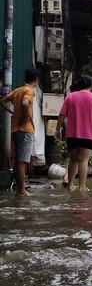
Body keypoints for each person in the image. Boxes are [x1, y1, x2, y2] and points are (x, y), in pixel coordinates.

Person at [55, 74, 92, 191]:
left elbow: (62, 114)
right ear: (91, 86)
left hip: (72, 134)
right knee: (84, 160)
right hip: (88, 134)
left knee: (73, 159)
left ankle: (70, 185)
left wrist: (57, 130)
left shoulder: (70, 97)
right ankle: (82, 186)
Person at [1, 68, 40, 196]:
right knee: (23, 161)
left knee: (18, 161)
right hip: (25, 129)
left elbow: (3, 101)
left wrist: (13, 113)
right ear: (36, 80)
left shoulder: (18, 90)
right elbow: (24, 103)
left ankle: (20, 189)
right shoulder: (29, 90)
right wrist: (24, 117)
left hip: (16, 129)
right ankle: (22, 190)